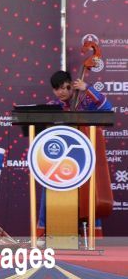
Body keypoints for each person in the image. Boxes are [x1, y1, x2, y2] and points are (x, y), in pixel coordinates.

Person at [38, 70, 114, 238]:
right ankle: (45, 232)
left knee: (90, 194)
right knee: (48, 185)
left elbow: (107, 108)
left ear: (72, 86)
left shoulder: (85, 100)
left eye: (65, 87)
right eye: (57, 89)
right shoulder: (53, 106)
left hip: (84, 159)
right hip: (60, 160)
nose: (61, 92)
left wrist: (87, 88)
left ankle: (92, 235)